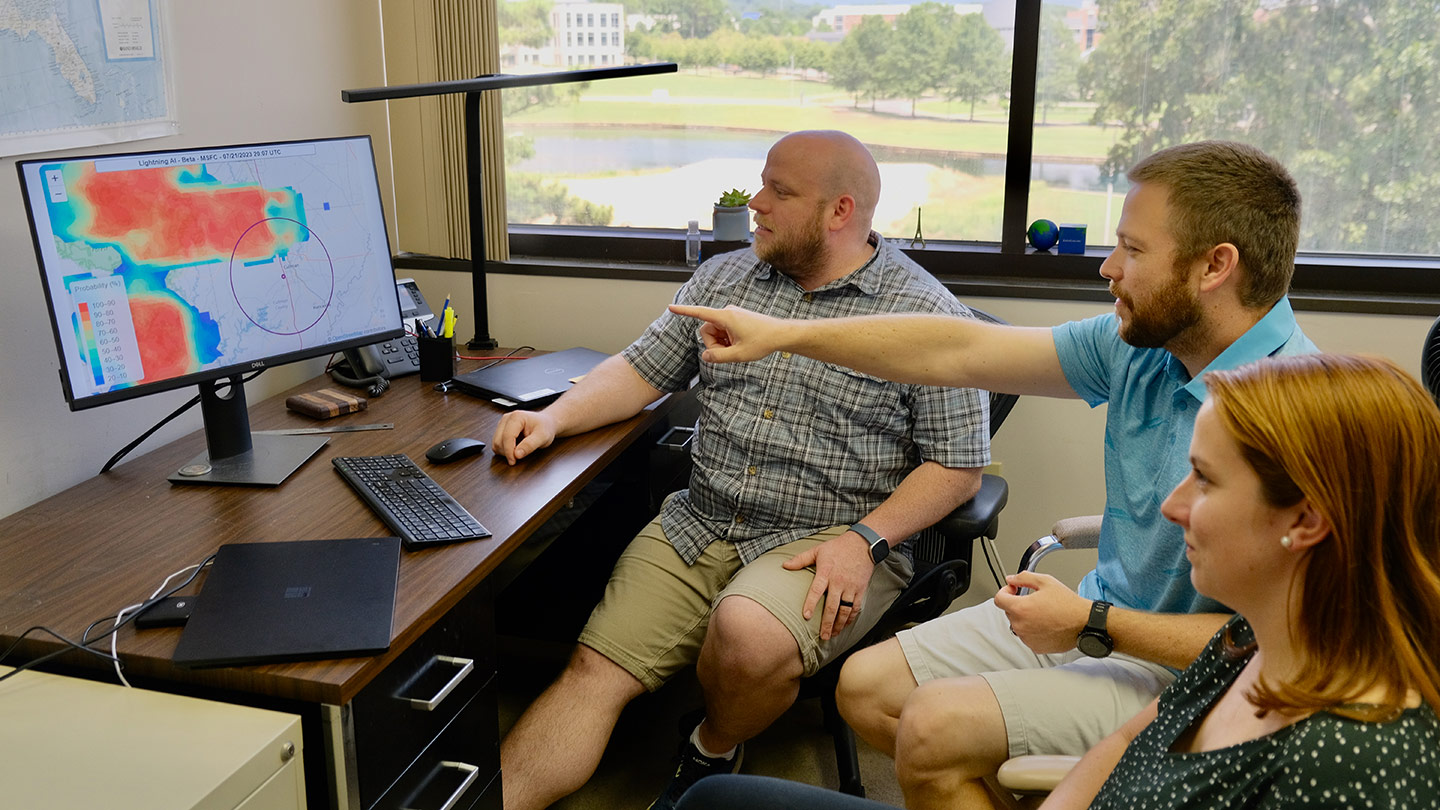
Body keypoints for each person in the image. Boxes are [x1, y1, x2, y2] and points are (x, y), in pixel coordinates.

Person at [670, 140, 1318, 808]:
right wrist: (785, 334)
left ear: (1216, 266)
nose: (1108, 267)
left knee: (931, 729)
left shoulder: (1295, 415)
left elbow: (1284, 647)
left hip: (1193, 676)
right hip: (1099, 620)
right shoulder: (1145, 348)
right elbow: (957, 348)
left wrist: (1094, 621)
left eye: (1132, 249)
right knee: (865, 690)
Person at [676, 353, 1440, 810]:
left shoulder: (1355, 768)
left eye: (1202, 481)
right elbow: (1124, 741)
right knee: (717, 801)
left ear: (1304, 521)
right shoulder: (1254, 642)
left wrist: (1091, 623)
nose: (1172, 505)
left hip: (1109, 634)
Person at [493, 130, 991, 810]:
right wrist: (554, 418)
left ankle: (711, 747)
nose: (756, 202)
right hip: (701, 522)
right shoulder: (726, 279)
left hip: (829, 539)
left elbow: (959, 467)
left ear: (840, 212)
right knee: (591, 671)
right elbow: (641, 370)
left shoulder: (926, 314)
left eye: (779, 192)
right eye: (762, 184)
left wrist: (863, 542)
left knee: (746, 633)